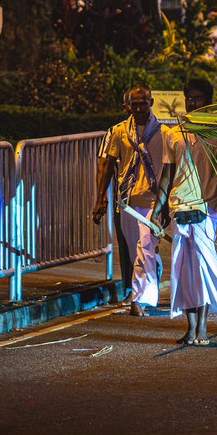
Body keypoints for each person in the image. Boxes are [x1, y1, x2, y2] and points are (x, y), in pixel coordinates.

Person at [152, 78, 217, 345]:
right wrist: (158, 208)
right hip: (179, 208)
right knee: (183, 271)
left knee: (203, 270)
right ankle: (191, 327)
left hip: (207, 209)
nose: (192, 103)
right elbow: (167, 174)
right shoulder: (173, 133)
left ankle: (202, 327)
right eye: (189, 98)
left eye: (198, 99)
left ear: (209, 101)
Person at [91, 84, 165, 316]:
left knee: (144, 248)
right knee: (139, 251)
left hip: (154, 201)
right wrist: (101, 198)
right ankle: (149, 280)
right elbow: (105, 165)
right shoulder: (117, 132)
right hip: (127, 202)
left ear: (151, 103)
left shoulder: (164, 133)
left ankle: (138, 299)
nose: (139, 107)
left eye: (144, 102)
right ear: (127, 106)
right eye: (135, 103)